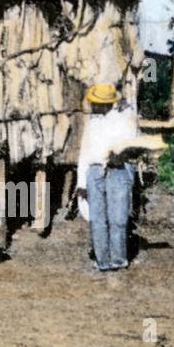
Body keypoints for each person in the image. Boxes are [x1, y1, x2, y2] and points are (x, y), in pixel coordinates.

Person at [74, 83, 139, 271]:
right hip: (94, 172)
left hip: (117, 171)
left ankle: (118, 260)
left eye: (96, 103)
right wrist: (81, 182)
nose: (93, 106)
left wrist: (120, 161)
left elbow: (131, 149)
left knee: (118, 218)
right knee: (97, 218)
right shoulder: (92, 124)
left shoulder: (125, 122)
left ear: (106, 104)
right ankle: (102, 261)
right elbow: (85, 153)